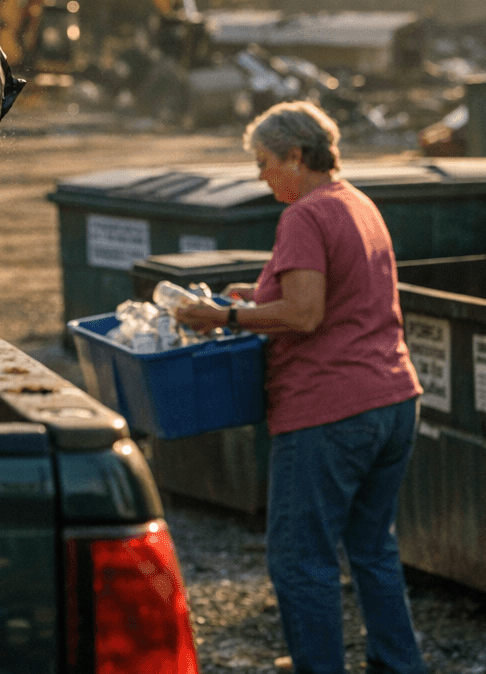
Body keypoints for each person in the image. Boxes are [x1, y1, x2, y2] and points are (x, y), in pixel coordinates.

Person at [176, 101, 426, 674]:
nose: (260, 176)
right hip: (393, 399)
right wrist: (257, 294)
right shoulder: (357, 202)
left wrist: (224, 317)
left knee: (299, 559)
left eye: (264, 162)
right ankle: (400, 665)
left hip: (330, 409)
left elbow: (306, 313)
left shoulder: (304, 215)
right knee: (372, 548)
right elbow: (335, 291)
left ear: (295, 155)